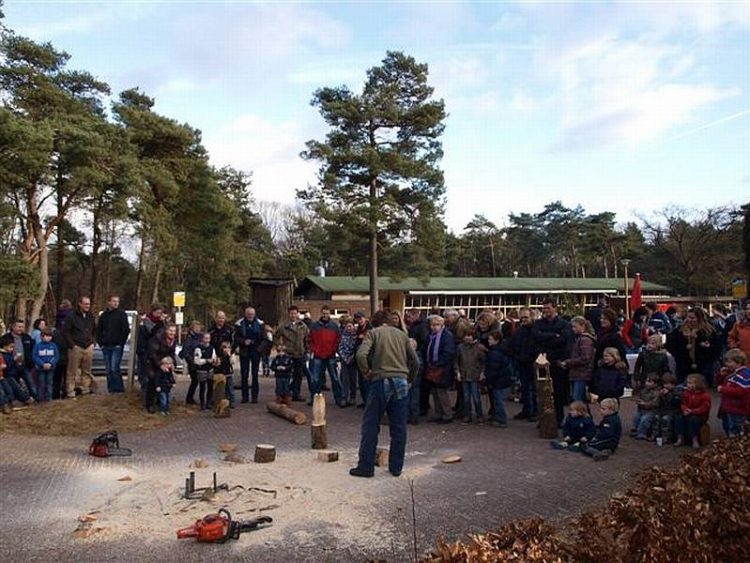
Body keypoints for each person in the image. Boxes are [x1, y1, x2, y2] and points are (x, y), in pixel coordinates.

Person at [350, 309, 419, 478]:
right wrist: (409, 380)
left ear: (375, 322)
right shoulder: (402, 335)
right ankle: (396, 467)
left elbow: (360, 355)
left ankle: (366, 467)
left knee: (371, 425)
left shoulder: (373, 333)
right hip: (401, 380)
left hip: (381, 380)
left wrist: (366, 372)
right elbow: (415, 361)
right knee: (399, 427)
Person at [531, 299, 572, 425]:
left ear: (555, 308)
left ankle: (558, 418)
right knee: (542, 390)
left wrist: (545, 337)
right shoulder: (538, 323)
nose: (545, 311)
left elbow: (563, 340)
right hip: (542, 361)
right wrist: (554, 336)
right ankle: (544, 418)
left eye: (548, 308)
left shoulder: (564, 324)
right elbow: (536, 337)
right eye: (544, 308)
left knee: (558, 391)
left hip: (557, 361)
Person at [666, 307, 720, 386]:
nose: (689, 320)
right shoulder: (679, 331)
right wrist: (678, 356)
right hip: (683, 367)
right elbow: (670, 345)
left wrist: (706, 348)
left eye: (692, 318)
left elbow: (716, 348)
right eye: (688, 317)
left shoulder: (708, 332)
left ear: (699, 319)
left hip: (703, 366)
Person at [307, 305, 345, 406]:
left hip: (330, 355)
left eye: (327, 313)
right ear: (321, 313)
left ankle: (339, 398)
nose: (325, 315)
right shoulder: (314, 326)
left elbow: (338, 340)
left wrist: (333, 350)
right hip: (318, 355)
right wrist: (314, 350)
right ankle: (314, 398)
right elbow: (309, 339)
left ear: (329, 314)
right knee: (315, 379)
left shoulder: (334, 326)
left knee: (335, 378)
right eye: (324, 313)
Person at [425, 315, 457, 424]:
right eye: (432, 325)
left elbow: (449, 352)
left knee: (442, 392)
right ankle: (439, 413)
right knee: (435, 392)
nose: (434, 327)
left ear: (442, 325)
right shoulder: (432, 336)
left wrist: (439, 363)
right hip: (432, 366)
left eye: (436, 325)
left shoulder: (446, 336)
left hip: (443, 368)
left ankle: (447, 414)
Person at [62, 296, 96, 399]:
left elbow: (95, 329)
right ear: (80, 304)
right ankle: (70, 391)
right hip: (76, 347)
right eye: (85, 304)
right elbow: (66, 331)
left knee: (87, 370)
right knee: (72, 371)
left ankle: (85, 389)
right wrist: (72, 345)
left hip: (88, 346)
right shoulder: (71, 316)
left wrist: (93, 342)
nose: (87, 306)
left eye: (89, 304)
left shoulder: (90, 316)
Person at [275, 305, 310, 402]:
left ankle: (296, 394)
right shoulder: (283, 327)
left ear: (298, 314)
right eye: (291, 313)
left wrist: (307, 350)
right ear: (288, 314)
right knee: (286, 375)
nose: (293, 315)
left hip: (300, 353)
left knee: (298, 375)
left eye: (295, 313)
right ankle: (284, 393)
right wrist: (279, 346)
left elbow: (307, 339)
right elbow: (276, 337)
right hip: (288, 354)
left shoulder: (303, 326)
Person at [96, 295, 130, 394]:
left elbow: (126, 330)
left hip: (117, 346)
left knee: (114, 367)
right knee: (108, 369)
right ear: (109, 302)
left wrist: (120, 343)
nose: (116, 303)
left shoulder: (121, 314)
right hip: (106, 345)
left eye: (117, 301)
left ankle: (119, 389)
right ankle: (111, 389)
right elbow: (99, 330)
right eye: (114, 301)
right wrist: (101, 343)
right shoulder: (104, 315)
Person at [510, 307, 538, 421]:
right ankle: (527, 409)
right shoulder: (520, 330)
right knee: (525, 388)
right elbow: (514, 344)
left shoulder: (536, 330)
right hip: (521, 362)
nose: (523, 320)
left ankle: (534, 411)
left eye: (526, 317)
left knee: (533, 388)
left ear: (531, 317)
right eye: (521, 317)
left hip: (532, 362)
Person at [234, 306, 266, 404]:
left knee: (255, 375)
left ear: (254, 314)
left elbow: (265, 339)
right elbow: (236, 337)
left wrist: (259, 349)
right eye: (248, 314)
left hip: (256, 351)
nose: (250, 316)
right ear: (245, 314)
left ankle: (254, 397)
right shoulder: (239, 324)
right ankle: (245, 397)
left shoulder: (260, 324)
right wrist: (243, 342)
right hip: (244, 351)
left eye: (252, 314)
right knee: (244, 374)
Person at [560, 316, 596, 403]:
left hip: (581, 374)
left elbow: (585, 358)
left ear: (583, 326)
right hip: (579, 373)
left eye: (575, 327)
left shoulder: (584, 340)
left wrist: (568, 362)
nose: (573, 329)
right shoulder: (580, 338)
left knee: (577, 399)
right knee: (580, 399)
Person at [484, 330, 515, 428]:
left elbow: (493, 368)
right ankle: (498, 418)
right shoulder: (503, 350)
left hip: (498, 380)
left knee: (498, 400)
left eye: (490, 339)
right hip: (503, 378)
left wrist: (489, 379)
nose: (489, 341)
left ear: (496, 340)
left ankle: (501, 420)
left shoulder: (495, 353)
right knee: (498, 399)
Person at [716, 348, 750, 437]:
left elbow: (741, 391)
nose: (727, 364)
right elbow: (722, 382)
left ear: (738, 362)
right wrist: (721, 375)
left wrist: (723, 389)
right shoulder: (732, 373)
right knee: (728, 427)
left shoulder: (743, 375)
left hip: (737, 409)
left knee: (736, 431)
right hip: (729, 407)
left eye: (730, 362)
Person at [144, 323, 178, 414]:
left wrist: (173, 363)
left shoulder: (173, 341)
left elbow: (172, 353)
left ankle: (161, 403)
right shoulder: (157, 338)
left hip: (166, 362)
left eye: (174, 331)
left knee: (165, 381)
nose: (172, 333)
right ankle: (149, 404)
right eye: (170, 330)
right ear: (166, 330)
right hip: (153, 362)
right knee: (152, 380)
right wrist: (160, 364)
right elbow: (153, 354)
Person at [455, 327, 485, 423]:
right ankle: (467, 415)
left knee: (476, 397)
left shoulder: (479, 347)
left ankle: (479, 415)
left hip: (475, 375)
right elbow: (456, 361)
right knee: (466, 397)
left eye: (469, 336)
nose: (467, 338)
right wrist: (457, 372)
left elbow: (484, 361)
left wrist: (482, 372)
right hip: (464, 374)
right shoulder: (460, 347)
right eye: (466, 336)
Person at [674, 373, 711, 449]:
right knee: (679, 417)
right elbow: (683, 403)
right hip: (688, 412)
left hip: (700, 415)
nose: (688, 385)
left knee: (694, 419)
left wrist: (692, 411)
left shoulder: (705, 395)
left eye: (690, 383)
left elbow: (704, 408)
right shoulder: (686, 393)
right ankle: (680, 438)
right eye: (688, 383)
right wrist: (685, 409)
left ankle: (695, 439)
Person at [405, 308, 429, 422]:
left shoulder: (421, 327)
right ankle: (412, 414)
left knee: (414, 392)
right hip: (416, 369)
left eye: (409, 316)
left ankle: (413, 415)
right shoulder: (416, 326)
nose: (407, 319)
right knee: (414, 392)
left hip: (414, 372)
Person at [0, 334, 33, 412]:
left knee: (12, 388)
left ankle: (22, 400)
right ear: (5, 346)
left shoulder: (7, 354)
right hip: (6, 375)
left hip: (7, 375)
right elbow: (6, 365)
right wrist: (12, 361)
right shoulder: (3, 355)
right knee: (4, 391)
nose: (12, 349)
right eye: (11, 347)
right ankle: (5, 405)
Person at [7, 319, 37, 401]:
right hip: (12, 366)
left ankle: (36, 399)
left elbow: (33, 350)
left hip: (25, 365)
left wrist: (32, 362)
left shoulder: (27, 337)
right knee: (15, 385)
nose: (21, 329)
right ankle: (15, 400)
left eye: (22, 327)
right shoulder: (6, 338)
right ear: (13, 327)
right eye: (19, 327)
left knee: (31, 383)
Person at [137, 304, 165, 389]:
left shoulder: (161, 322)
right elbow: (152, 332)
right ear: (153, 312)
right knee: (144, 372)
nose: (159, 315)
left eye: (161, 313)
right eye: (158, 312)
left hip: (157, 349)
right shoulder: (147, 321)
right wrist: (160, 323)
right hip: (146, 349)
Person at [630, 374, 661, 440]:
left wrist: (645, 404)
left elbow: (655, 403)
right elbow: (640, 396)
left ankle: (642, 433)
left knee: (645, 419)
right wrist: (639, 401)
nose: (647, 383)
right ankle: (635, 429)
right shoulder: (644, 390)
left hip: (651, 411)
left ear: (655, 384)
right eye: (647, 381)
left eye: (649, 381)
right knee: (636, 417)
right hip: (641, 409)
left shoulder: (657, 392)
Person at [32, 328, 59, 402]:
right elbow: (35, 356)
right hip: (41, 368)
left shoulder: (53, 345)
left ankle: (49, 398)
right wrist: (42, 364)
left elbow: (56, 356)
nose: (48, 338)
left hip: (51, 368)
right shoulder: (38, 346)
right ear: (41, 337)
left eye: (49, 336)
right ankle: (40, 398)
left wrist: (50, 363)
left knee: (49, 383)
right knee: (41, 382)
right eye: (46, 336)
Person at [182, 320, 204, 406]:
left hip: (200, 361)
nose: (198, 329)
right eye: (196, 327)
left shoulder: (200, 337)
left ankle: (195, 398)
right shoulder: (189, 338)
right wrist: (191, 362)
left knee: (199, 380)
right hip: (192, 362)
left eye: (199, 327)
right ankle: (189, 398)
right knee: (195, 380)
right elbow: (186, 351)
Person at [337, 320, 359, 407]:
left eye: (350, 326)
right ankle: (344, 397)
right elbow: (340, 347)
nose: (349, 328)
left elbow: (357, 347)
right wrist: (344, 357)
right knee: (345, 379)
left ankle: (353, 396)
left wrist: (352, 357)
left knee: (353, 379)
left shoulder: (356, 337)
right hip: (344, 360)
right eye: (347, 326)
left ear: (353, 327)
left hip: (353, 360)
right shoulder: (343, 336)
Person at [193, 332, 216, 411]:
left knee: (210, 387)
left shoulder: (212, 348)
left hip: (210, 370)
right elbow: (197, 361)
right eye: (205, 338)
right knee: (202, 387)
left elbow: (214, 357)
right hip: (201, 370)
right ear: (202, 339)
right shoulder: (198, 348)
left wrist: (214, 360)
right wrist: (206, 360)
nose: (207, 340)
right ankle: (202, 403)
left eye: (208, 338)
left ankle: (208, 403)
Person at [353, 311, 372, 406]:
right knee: (361, 382)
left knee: (367, 381)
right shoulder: (359, 328)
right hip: (359, 358)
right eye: (357, 319)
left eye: (360, 318)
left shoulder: (370, 327)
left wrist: (362, 336)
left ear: (365, 318)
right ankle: (365, 401)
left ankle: (369, 402)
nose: (359, 320)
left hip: (367, 359)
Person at [657, 373, 682, 443]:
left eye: (669, 384)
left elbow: (675, 403)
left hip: (673, 411)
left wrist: (668, 395)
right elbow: (660, 404)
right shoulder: (662, 391)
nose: (666, 386)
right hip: (664, 410)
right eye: (665, 384)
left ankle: (667, 437)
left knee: (666, 419)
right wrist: (660, 396)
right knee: (656, 417)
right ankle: (656, 435)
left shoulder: (677, 392)